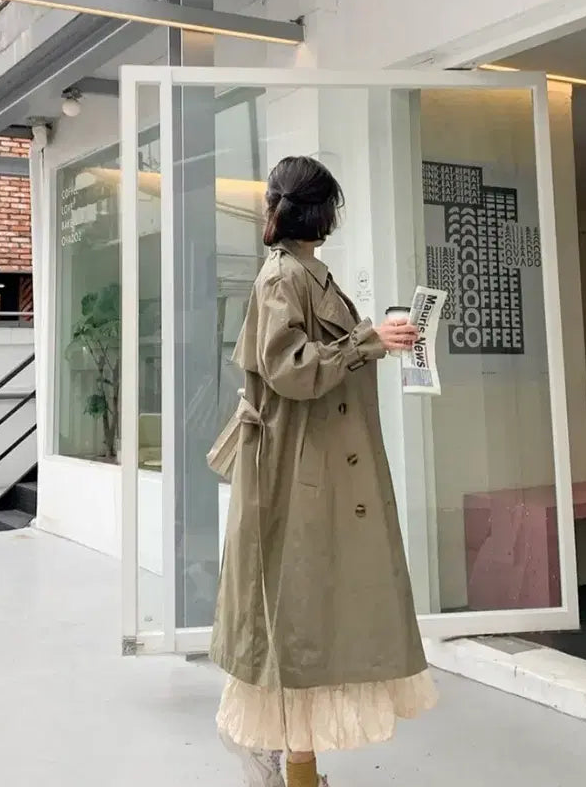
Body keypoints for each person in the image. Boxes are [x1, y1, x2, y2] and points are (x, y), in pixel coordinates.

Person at [210, 156, 438, 787]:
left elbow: (315, 360)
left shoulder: (305, 272)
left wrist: (376, 339)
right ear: (323, 213)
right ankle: (282, 760)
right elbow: (291, 368)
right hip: (296, 470)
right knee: (299, 618)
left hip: (313, 463)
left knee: (311, 617)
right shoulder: (282, 277)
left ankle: (290, 763)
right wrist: (367, 341)